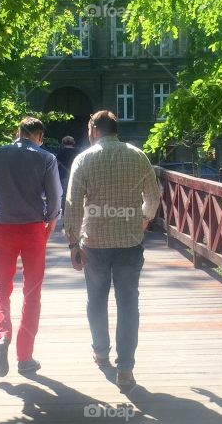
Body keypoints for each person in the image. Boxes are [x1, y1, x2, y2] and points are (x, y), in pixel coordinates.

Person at [63, 110, 161, 390]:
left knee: (96, 298)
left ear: (94, 130)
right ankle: (126, 369)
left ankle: (101, 351)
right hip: (129, 242)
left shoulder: (84, 159)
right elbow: (153, 197)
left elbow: (72, 204)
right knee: (128, 304)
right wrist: (144, 219)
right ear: (115, 129)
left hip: (93, 242)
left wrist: (72, 243)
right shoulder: (137, 155)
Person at [0, 116, 62, 377]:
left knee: (1, 289)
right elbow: (55, 200)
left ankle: (1, 337)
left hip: (4, 231)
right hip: (34, 230)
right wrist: (50, 226)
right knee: (32, 293)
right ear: (39, 136)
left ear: (17, 133)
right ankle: (25, 357)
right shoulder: (46, 158)